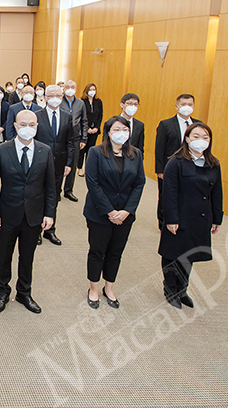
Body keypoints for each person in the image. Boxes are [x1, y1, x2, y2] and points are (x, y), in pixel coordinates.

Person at [0, 109, 56, 314]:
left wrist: (49, 214)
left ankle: (24, 292)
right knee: (4, 255)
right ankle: (2, 291)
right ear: (15, 126)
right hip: (7, 213)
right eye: (23, 124)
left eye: (32, 125)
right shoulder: (1, 150)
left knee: (27, 256)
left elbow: (50, 187)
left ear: (37, 127)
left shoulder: (45, 150)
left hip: (34, 214)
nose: (28, 128)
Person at [83, 116, 146, 310]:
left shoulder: (136, 154)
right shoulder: (95, 152)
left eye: (125, 130)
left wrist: (127, 211)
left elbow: (139, 183)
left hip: (125, 215)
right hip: (100, 212)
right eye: (116, 129)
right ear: (108, 132)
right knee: (97, 251)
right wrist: (110, 211)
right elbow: (92, 183)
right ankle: (93, 288)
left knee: (115, 252)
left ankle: (109, 287)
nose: (121, 133)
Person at [159, 122, 223, 309]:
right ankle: (170, 288)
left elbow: (217, 193)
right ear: (187, 139)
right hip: (179, 217)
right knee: (173, 254)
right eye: (196, 136)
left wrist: (217, 218)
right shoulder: (176, 162)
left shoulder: (213, 164)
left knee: (190, 255)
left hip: (201, 218)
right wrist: (171, 219)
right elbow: (169, 193)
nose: (201, 140)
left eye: (205, 137)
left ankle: (182, 289)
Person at [154, 94, 201, 230]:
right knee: (166, 195)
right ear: (177, 106)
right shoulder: (166, 124)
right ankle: (163, 223)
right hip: (169, 167)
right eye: (183, 104)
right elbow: (159, 148)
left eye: (190, 104)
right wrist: (160, 170)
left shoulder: (198, 125)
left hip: (191, 167)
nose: (187, 107)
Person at [34, 85, 74, 246]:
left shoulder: (67, 116)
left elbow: (70, 141)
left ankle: (50, 230)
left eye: (58, 95)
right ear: (45, 97)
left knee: (53, 196)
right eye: (51, 95)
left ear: (62, 97)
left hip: (59, 163)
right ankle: (36, 229)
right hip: (40, 163)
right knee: (38, 196)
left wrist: (69, 163)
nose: (55, 98)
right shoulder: (37, 115)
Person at [60, 80, 88, 203]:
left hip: (76, 138)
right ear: (64, 89)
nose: (70, 88)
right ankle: (57, 190)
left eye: (72, 87)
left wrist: (84, 138)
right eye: (67, 86)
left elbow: (84, 121)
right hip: (62, 137)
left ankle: (68, 190)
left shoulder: (81, 103)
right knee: (60, 163)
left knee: (73, 163)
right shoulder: (59, 101)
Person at [78, 83, 102, 177]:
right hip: (84, 130)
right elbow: (81, 116)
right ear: (86, 90)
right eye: (90, 89)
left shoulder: (98, 101)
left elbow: (100, 116)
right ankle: (79, 168)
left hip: (94, 130)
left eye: (94, 89)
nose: (92, 91)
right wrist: (87, 128)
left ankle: (88, 168)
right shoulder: (82, 101)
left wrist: (96, 127)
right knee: (82, 150)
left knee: (90, 150)